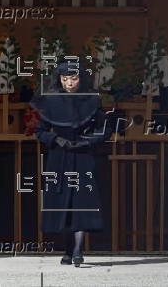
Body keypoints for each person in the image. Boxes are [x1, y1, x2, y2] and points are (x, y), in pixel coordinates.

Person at [30, 62, 112, 267]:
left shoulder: (92, 100)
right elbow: (39, 130)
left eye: (73, 78)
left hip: (83, 155)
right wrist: (57, 140)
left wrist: (87, 141)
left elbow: (104, 128)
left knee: (81, 201)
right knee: (62, 203)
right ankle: (67, 250)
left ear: (81, 78)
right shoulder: (49, 100)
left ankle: (77, 250)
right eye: (65, 79)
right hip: (59, 156)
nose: (69, 83)